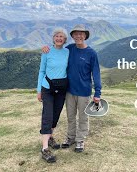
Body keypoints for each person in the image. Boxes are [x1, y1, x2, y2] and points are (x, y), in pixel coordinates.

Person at [42, 24, 102, 153]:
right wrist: (46, 47)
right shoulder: (69, 49)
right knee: (70, 117)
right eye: (76, 34)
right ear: (73, 36)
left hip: (84, 92)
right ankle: (70, 138)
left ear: (85, 36)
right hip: (68, 90)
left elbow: (96, 73)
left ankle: (80, 140)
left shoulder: (91, 53)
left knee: (83, 117)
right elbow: (57, 47)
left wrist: (98, 92)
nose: (78, 36)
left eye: (81, 34)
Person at [37, 28, 69, 163]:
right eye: (57, 36)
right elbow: (41, 71)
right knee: (47, 116)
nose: (59, 38)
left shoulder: (68, 52)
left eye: (61, 36)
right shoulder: (47, 51)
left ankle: (50, 138)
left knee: (56, 115)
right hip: (47, 88)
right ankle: (45, 149)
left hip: (61, 89)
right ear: (53, 38)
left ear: (65, 39)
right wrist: (39, 90)